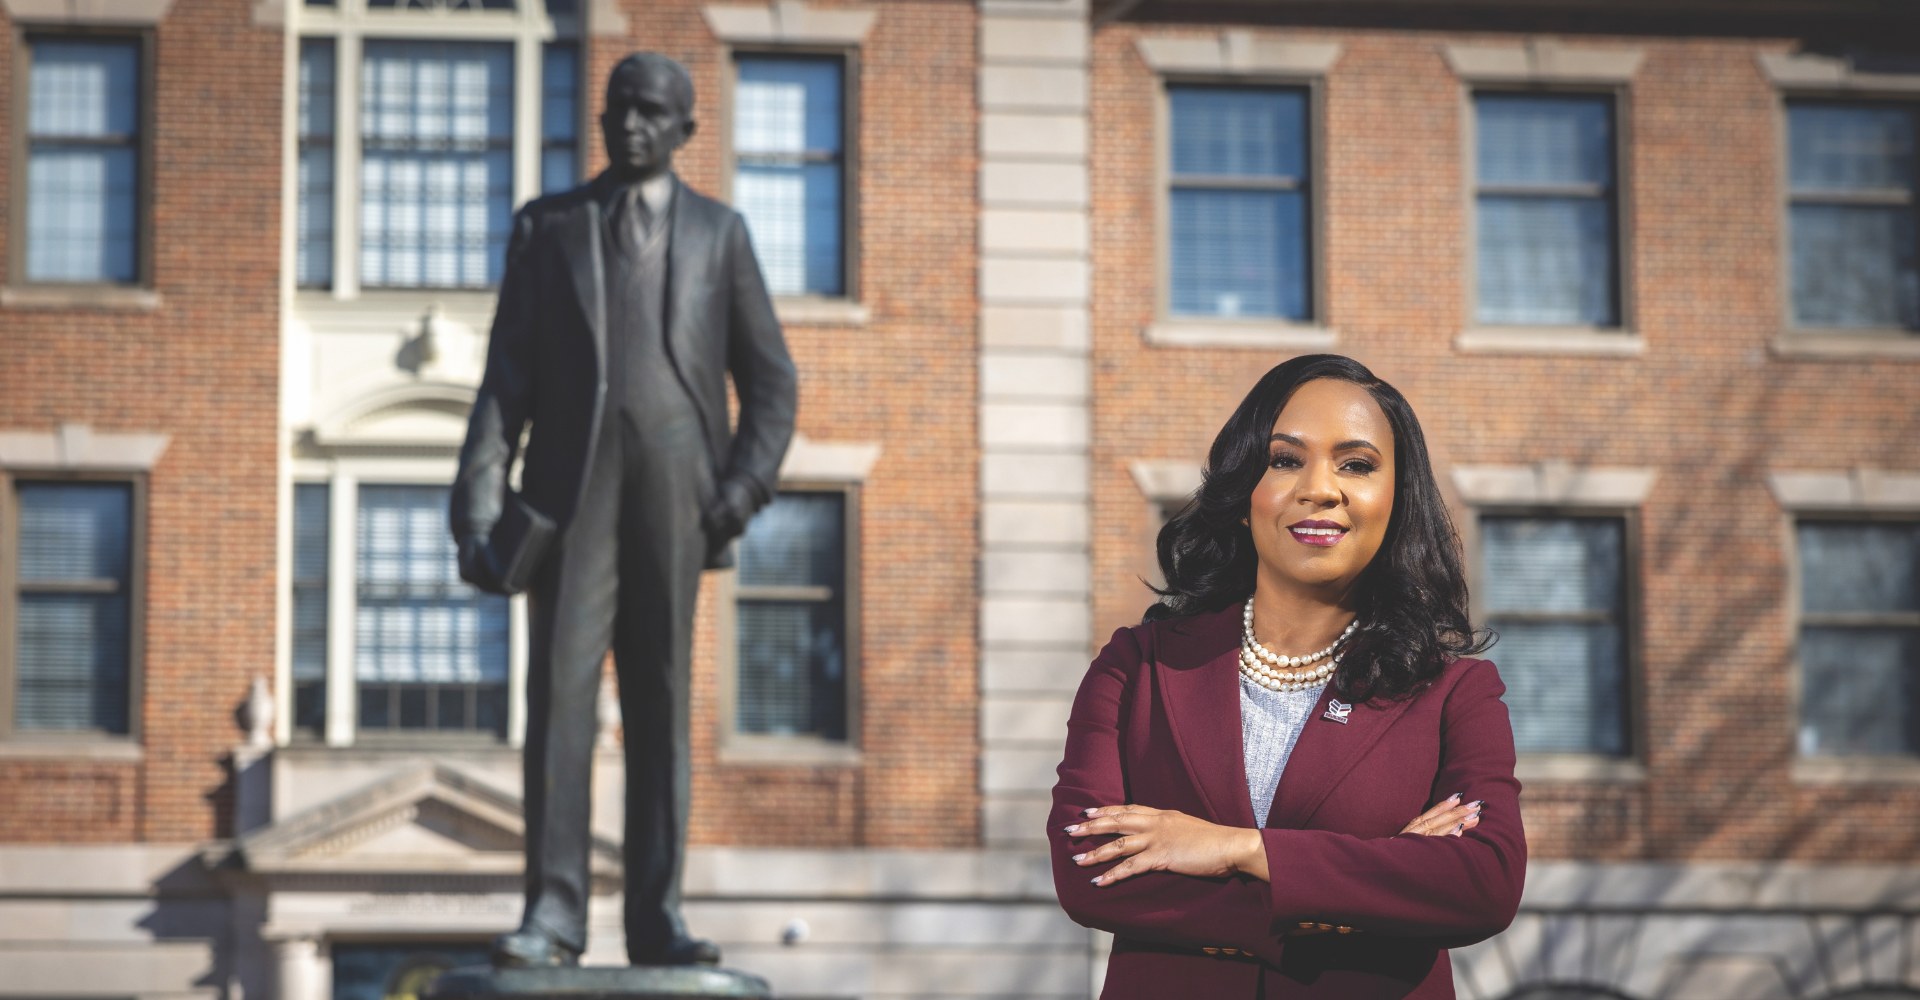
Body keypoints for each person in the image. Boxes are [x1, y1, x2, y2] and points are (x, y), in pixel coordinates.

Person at [450, 52, 797, 969]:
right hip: (566, 504)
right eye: (616, 110)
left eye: (649, 113)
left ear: (685, 130)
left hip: (676, 505)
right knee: (559, 707)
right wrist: (477, 508)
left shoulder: (721, 235)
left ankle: (657, 917)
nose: (628, 125)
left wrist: (740, 491)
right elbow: (504, 384)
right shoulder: (549, 227)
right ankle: (553, 916)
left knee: (660, 707)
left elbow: (771, 383)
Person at [1050, 354, 1524, 998]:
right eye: (1285, 460)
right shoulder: (1138, 666)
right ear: (1243, 493)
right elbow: (1090, 869)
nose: (1320, 488)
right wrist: (1377, 886)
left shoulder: (1453, 692)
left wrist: (1235, 849)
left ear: (1395, 499)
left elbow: (1482, 884)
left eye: (1356, 465)